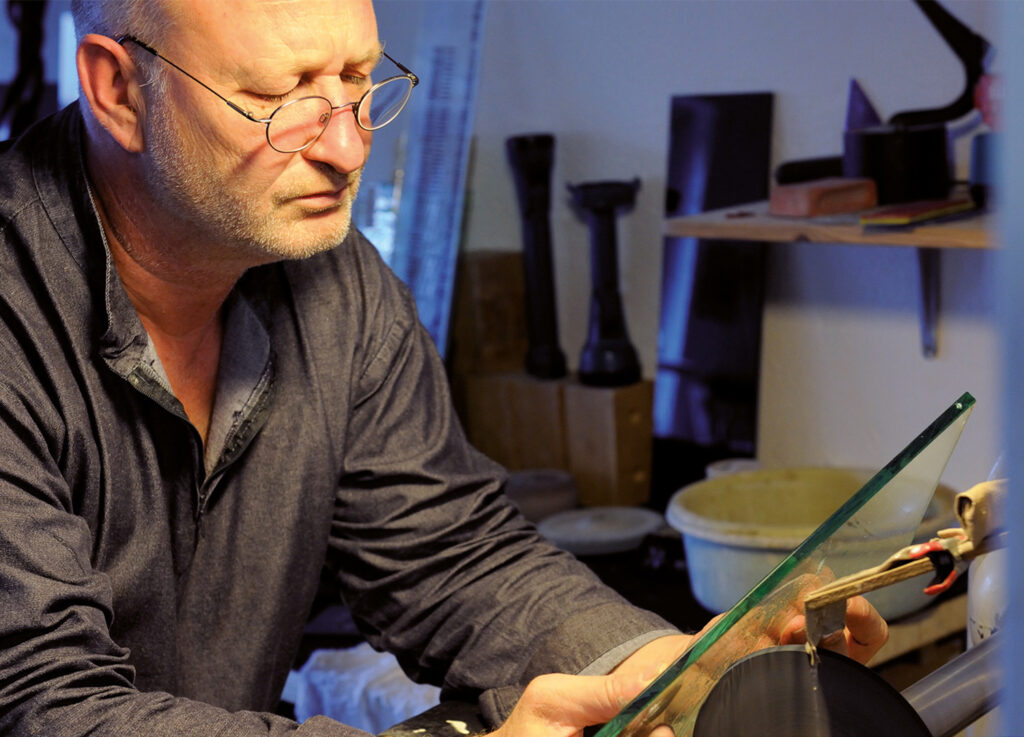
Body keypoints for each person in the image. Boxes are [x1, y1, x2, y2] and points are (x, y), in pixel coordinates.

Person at [0, 1, 888, 735]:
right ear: (118, 89)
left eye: (358, 82)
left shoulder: (335, 283)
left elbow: (454, 555)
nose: (348, 149)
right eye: (278, 97)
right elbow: (45, 705)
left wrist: (650, 667)